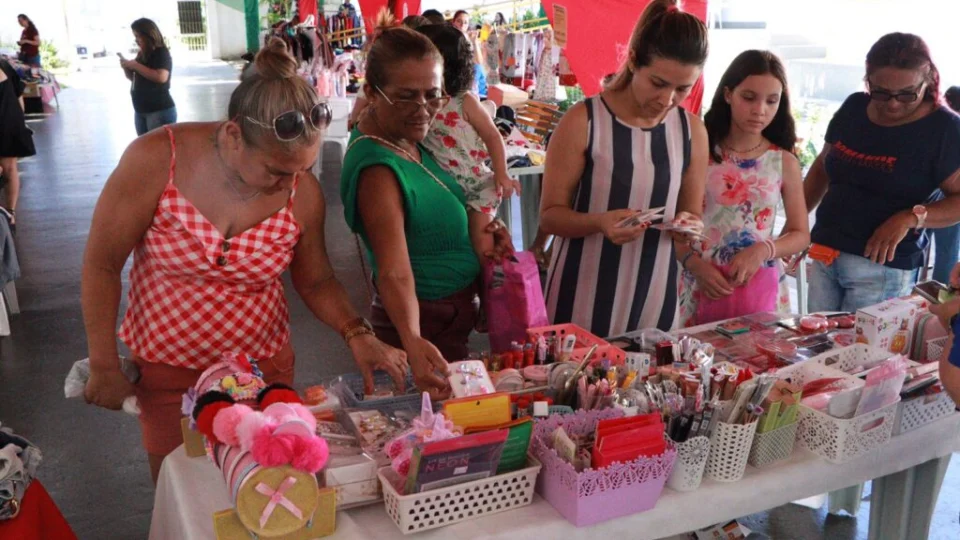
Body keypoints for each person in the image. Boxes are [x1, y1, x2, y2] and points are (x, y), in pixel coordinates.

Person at [82, 41, 407, 483]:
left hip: (260, 376)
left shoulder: (301, 192)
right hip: (167, 373)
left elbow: (316, 281)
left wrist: (358, 334)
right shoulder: (158, 159)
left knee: (266, 489)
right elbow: (102, 263)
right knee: (183, 488)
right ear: (234, 135)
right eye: (276, 171)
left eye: (302, 170)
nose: (290, 184)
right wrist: (102, 363)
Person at [340, 25, 513, 398]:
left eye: (432, 96)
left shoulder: (408, 138)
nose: (423, 111)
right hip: (422, 327)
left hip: (446, 320)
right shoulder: (378, 169)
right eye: (406, 97)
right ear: (371, 92)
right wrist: (413, 340)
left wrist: (482, 228)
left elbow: (438, 203)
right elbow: (394, 270)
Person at [540, 0, 709, 337]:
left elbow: (691, 214)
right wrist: (599, 222)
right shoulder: (584, 120)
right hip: (581, 292)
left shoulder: (691, 131)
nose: (667, 99)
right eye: (658, 83)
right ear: (633, 61)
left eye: (682, 89)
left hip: (655, 292)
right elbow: (550, 216)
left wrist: (689, 226)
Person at [804, 33, 960, 313]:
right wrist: (795, 224)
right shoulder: (854, 107)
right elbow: (821, 168)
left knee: (863, 355)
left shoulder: (945, 129)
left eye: (907, 94)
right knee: (815, 349)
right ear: (868, 80)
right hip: (826, 253)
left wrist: (910, 218)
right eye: (880, 92)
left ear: (928, 80)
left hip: (881, 269)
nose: (893, 104)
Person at [678, 50, 809, 326]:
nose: (760, 110)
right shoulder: (699, 151)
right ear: (728, 94)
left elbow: (801, 234)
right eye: (749, 97)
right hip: (699, 284)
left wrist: (764, 249)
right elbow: (674, 225)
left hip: (759, 290)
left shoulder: (783, 161)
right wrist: (694, 264)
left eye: (772, 101)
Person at [417, 24, 519, 260]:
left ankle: (491, 292)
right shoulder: (422, 102)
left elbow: (493, 136)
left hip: (477, 188)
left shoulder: (465, 101)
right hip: (444, 191)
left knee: (483, 251)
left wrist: (502, 173)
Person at [122, 18, 178, 136]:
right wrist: (127, 67)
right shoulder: (141, 54)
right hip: (141, 110)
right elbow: (135, 79)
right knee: (145, 148)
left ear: (148, 36)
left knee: (157, 150)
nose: (136, 40)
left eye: (138, 36)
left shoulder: (161, 53)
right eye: (135, 37)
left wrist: (136, 66)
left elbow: (161, 77)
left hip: (158, 110)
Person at [931, 85, 960, 283]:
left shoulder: (943, 127)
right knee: (947, 249)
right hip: (948, 196)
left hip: (938, 194)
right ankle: (943, 292)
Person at [0, 59, 34, 228]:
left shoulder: (5, 65)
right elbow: (19, 96)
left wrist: (21, 122)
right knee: (8, 168)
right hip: (10, 121)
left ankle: (9, 212)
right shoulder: (4, 65)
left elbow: (18, 95)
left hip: (8, 121)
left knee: (9, 167)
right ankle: (8, 213)